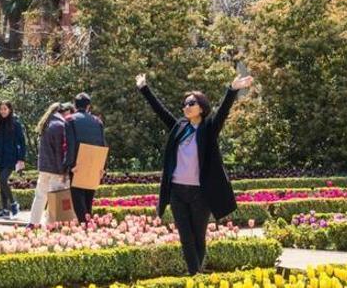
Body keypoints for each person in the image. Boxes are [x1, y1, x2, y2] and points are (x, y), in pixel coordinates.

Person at [135, 73, 253, 275]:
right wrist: (144, 88)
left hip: (200, 192)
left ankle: (196, 274)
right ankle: (195, 275)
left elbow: (223, 111)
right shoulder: (179, 127)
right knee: (185, 237)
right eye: (185, 104)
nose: (186, 107)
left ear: (202, 107)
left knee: (198, 236)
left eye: (191, 103)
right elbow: (160, 111)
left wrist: (232, 90)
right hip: (177, 190)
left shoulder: (208, 128)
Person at [28, 102, 73, 227]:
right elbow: (60, 151)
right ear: (64, 112)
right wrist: (64, 171)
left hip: (44, 168)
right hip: (55, 169)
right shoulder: (60, 125)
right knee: (55, 198)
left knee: (40, 196)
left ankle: (33, 222)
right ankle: (51, 224)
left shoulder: (47, 123)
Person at [63, 92, 107, 223]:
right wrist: (102, 167)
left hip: (78, 163)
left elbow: (70, 144)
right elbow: (102, 144)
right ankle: (89, 225)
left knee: (78, 199)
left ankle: (85, 227)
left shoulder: (70, 120)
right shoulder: (98, 121)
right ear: (89, 106)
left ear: (75, 105)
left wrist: (69, 165)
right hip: (94, 162)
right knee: (88, 201)